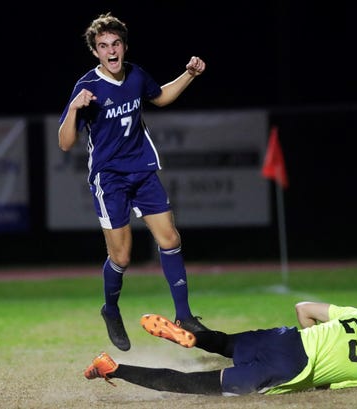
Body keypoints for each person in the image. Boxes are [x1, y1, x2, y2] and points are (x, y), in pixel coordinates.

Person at [58, 12, 210, 352]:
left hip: (142, 170)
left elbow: (160, 98)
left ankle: (183, 316)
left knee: (170, 238)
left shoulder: (136, 75)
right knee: (122, 257)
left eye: (115, 44)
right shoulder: (87, 88)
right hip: (109, 179)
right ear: (95, 52)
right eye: (103, 46)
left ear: (124, 47)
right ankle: (110, 310)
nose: (111, 52)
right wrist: (73, 110)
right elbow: (65, 143)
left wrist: (189, 74)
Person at [84, 300, 357, 395]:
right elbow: (328, 385)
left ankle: (193, 334)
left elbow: (303, 309)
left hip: (286, 338)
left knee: (223, 342)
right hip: (289, 369)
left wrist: (314, 336)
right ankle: (113, 367)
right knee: (192, 385)